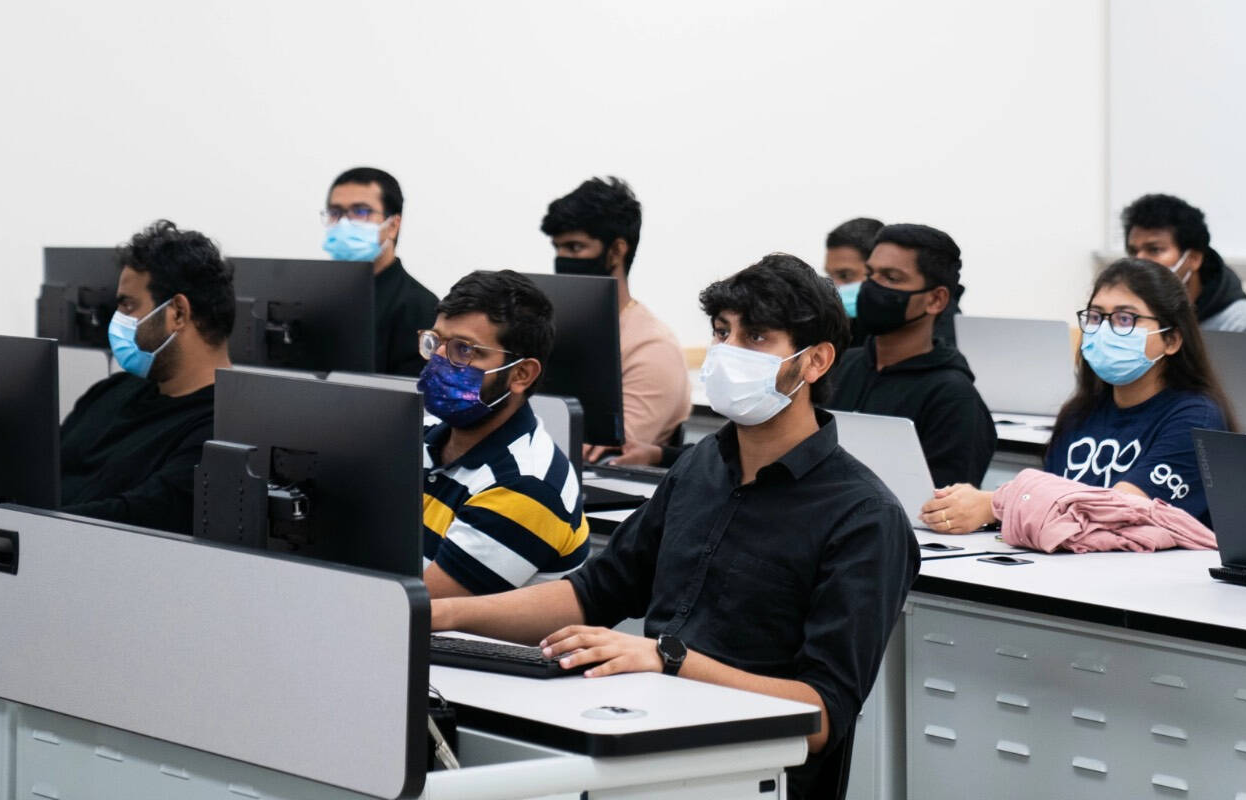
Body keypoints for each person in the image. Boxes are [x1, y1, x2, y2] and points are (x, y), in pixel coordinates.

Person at [431, 254, 916, 799]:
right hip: (648, 731)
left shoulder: (864, 517)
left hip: (746, 771)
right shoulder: (702, 464)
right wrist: (435, 615)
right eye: (721, 332)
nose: (729, 351)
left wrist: (669, 660)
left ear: (816, 362)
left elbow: (823, 713)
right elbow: (595, 593)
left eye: (755, 337)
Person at [921, 258, 1235, 531]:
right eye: (1096, 317)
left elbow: (1123, 509)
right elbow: (1044, 502)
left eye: (1125, 319)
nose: (1105, 330)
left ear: (1172, 340)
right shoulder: (1079, 413)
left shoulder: (1195, 417)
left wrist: (996, 503)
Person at [417, 270, 589, 598]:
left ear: (521, 374)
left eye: (464, 350)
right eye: (436, 342)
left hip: (447, 647)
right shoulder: (420, 435)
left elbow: (410, 610)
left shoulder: (527, 485)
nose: (438, 360)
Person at [59, 220, 233, 534]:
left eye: (128, 305)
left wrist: (25, 517)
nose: (118, 320)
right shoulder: (109, 392)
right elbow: (39, 472)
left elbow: (143, 515)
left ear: (178, 312)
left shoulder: (225, 429)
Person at [825, 223, 996, 488]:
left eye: (892, 278)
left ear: (936, 300)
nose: (872, 287)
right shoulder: (840, 367)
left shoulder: (954, 398)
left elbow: (944, 508)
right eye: (870, 274)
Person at [540, 176, 691, 465]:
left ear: (617, 250)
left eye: (575, 248)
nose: (561, 259)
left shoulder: (652, 347)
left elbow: (603, 451)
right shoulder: (557, 329)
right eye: (557, 248)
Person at [322, 166, 439, 376]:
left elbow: (406, 399)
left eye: (361, 212)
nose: (345, 223)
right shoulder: (319, 297)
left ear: (393, 225)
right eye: (336, 212)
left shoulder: (420, 306)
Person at [1121, 193, 1246, 334]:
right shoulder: (1123, 312)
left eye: (1154, 250)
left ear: (1193, 259)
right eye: (1133, 251)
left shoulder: (1242, 324)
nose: (1138, 261)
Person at [824, 217, 961, 347]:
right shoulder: (849, 321)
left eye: (845, 275)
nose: (835, 286)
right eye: (829, 276)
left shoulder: (945, 335)